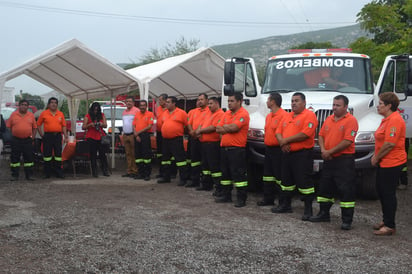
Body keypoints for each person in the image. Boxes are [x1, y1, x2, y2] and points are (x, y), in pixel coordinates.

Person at [309, 95, 358, 230]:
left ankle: (347, 220)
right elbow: (321, 135)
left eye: (338, 105)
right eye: (334, 105)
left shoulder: (351, 121)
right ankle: (323, 213)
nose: (334, 107)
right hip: (328, 159)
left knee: (346, 190)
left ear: (345, 107)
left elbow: (347, 141)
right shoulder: (329, 119)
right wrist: (324, 150)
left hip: (344, 160)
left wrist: (330, 152)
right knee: (325, 187)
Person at [273, 92, 318, 220]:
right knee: (286, 181)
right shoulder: (287, 116)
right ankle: (286, 205)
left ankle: (308, 209)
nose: (294, 103)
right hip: (287, 153)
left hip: (302, 155)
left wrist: (286, 141)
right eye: (292, 101)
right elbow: (278, 131)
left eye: (297, 100)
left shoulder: (310, 115)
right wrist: (282, 142)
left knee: (304, 182)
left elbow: (305, 134)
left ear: (304, 102)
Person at [371, 92, 407, 236]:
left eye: (380, 104)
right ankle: (386, 220)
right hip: (384, 161)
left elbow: (389, 144)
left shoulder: (395, 120)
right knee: (381, 191)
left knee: (388, 193)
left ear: (389, 106)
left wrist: (376, 157)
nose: (378, 106)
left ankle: (390, 225)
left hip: (392, 162)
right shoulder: (386, 119)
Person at [215, 92, 250, 208]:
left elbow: (235, 128)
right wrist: (227, 128)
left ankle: (241, 198)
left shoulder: (243, 114)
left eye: (232, 101)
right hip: (224, 148)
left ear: (239, 102)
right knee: (225, 174)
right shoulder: (226, 114)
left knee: (239, 175)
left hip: (237, 149)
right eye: (228, 101)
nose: (229, 103)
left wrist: (225, 128)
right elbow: (217, 128)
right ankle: (226, 195)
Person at [257, 92, 288, 207]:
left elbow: (285, 132)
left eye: (268, 100)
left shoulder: (284, 115)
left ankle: (282, 201)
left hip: (278, 150)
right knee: (267, 175)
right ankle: (268, 198)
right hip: (268, 149)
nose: (267, 102)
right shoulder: (269, 116)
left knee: (279, 177)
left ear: (273, 101)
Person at [157, 96, 189, 185]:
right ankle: (166, 177)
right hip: (165, 140)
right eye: (166, 102)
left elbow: (187, 125)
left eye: (168, 102)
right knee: (165, 159)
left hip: (176, 140)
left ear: (174, 103)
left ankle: (183, 179)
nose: (166, 104)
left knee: (180, 160)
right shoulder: (165, 113)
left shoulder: (181, 113)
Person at [195, 97, 225, 192]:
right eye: (209, 104)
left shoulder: (220, 114)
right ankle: (206, 184)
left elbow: (213, 127)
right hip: (204, 143)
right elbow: (201, 123)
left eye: (211, 104)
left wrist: (200, 130)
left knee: (214, 167)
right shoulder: (208, 113)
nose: (209, 106)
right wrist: (198, 131)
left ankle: (218, 188)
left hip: (213, 144)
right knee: (205, 166)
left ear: (217, 104)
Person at [6, 100, 37, 181]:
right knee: (15, 158)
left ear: (27, 106)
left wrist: (32, 137)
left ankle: (29, 175)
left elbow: (35, 127)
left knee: (29, 158)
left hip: (27, 140)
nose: (24, 106)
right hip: (16, 140)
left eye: (26, 105)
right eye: (22, 104)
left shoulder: (31, 115)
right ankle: (14, 175)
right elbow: (8, 126)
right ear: (19, 106)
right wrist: (13, 135)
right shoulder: (13, 115)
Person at [37, 97, 68, 178]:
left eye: (55, 103)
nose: (54, 104)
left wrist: (66, 136)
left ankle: (59, 172)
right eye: (52, 102)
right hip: (48, 136)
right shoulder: (44, 113)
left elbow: (64, 126)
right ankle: (47, 173)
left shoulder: (60, 113)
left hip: (58, 136)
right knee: (47, 155)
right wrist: (41, 135)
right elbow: (38, 124)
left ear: (57, 105)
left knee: (58, 155)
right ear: (48, 104)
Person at [186, 93, 210, 188]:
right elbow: (189, 123)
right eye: (198, 99)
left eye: (202, 99)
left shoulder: (209, 111)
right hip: (194, 138)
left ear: (207, 100)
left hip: (204, 139)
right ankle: (194, 180)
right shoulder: (193, 111)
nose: (200, 101)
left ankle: (205, 182)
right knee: (194, 160)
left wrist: (199, 133)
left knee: (204, 161)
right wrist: (192, 132)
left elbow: (207, 124)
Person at [82, 102, 110, 177]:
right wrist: (90, 125)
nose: (95, 111)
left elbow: (105, 125)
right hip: (91, 136)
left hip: (100, 136)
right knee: (93, 155)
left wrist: (101, 124)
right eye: (94, 110)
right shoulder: (87, 116)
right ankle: (94, 171)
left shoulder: (102, 115)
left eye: (97, 110)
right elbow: (83, 127)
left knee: (102, 155)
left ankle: (105, 170)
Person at [133, 100, 154, 181]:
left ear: (146, 106)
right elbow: (134, 125)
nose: (142, 107)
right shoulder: (137, 114)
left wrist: (138, 133)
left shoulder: (150, 114)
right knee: (138, 156)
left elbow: (149, 126)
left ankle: (147, 174)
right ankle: (140, 173)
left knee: (146, 156)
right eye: (141, 105)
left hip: (145, 135)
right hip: (137, 135)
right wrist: (136, 134)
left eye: (143, 105)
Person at [122, 96, 140, 178]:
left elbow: (138, 124)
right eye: (127, 101)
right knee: (128, 153)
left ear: (133, 102)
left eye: (130, 101)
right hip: (125, 134)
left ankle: (135, 170)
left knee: (134, 153)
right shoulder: (124, 112)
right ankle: (129, 170)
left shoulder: (137, 111)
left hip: (133, 134)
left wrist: (137, 134)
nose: (128, 103)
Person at [155, 93, 168, 178]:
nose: (159, 102)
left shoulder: (168, 109)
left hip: (166, 134)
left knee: (166, 153)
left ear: (165, 100)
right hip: (159, 133)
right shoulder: (158, 108)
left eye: (160, 100)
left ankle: (170, 172)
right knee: (159, 153)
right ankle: (161, 171)